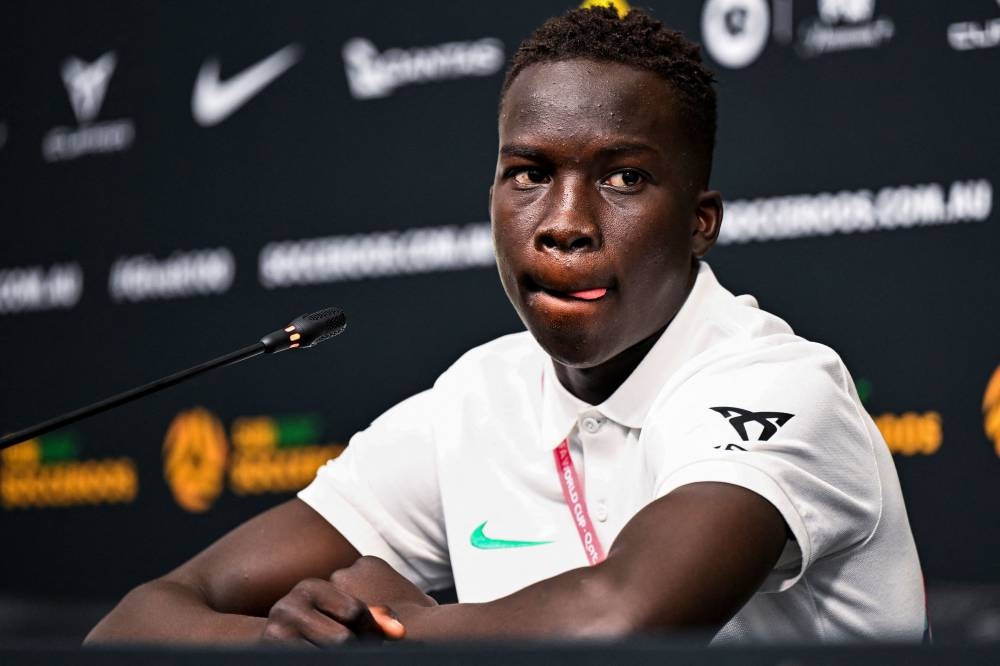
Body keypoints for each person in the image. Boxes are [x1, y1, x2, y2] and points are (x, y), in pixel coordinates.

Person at [86, 6, 925, 645]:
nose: (564, 221)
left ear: (701, 221)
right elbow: (135, 624)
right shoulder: (476, 400)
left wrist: (390, 631)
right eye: (528, 173)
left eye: (624, 178)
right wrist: (306, 640)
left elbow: (625, 618)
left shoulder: (779, 384)